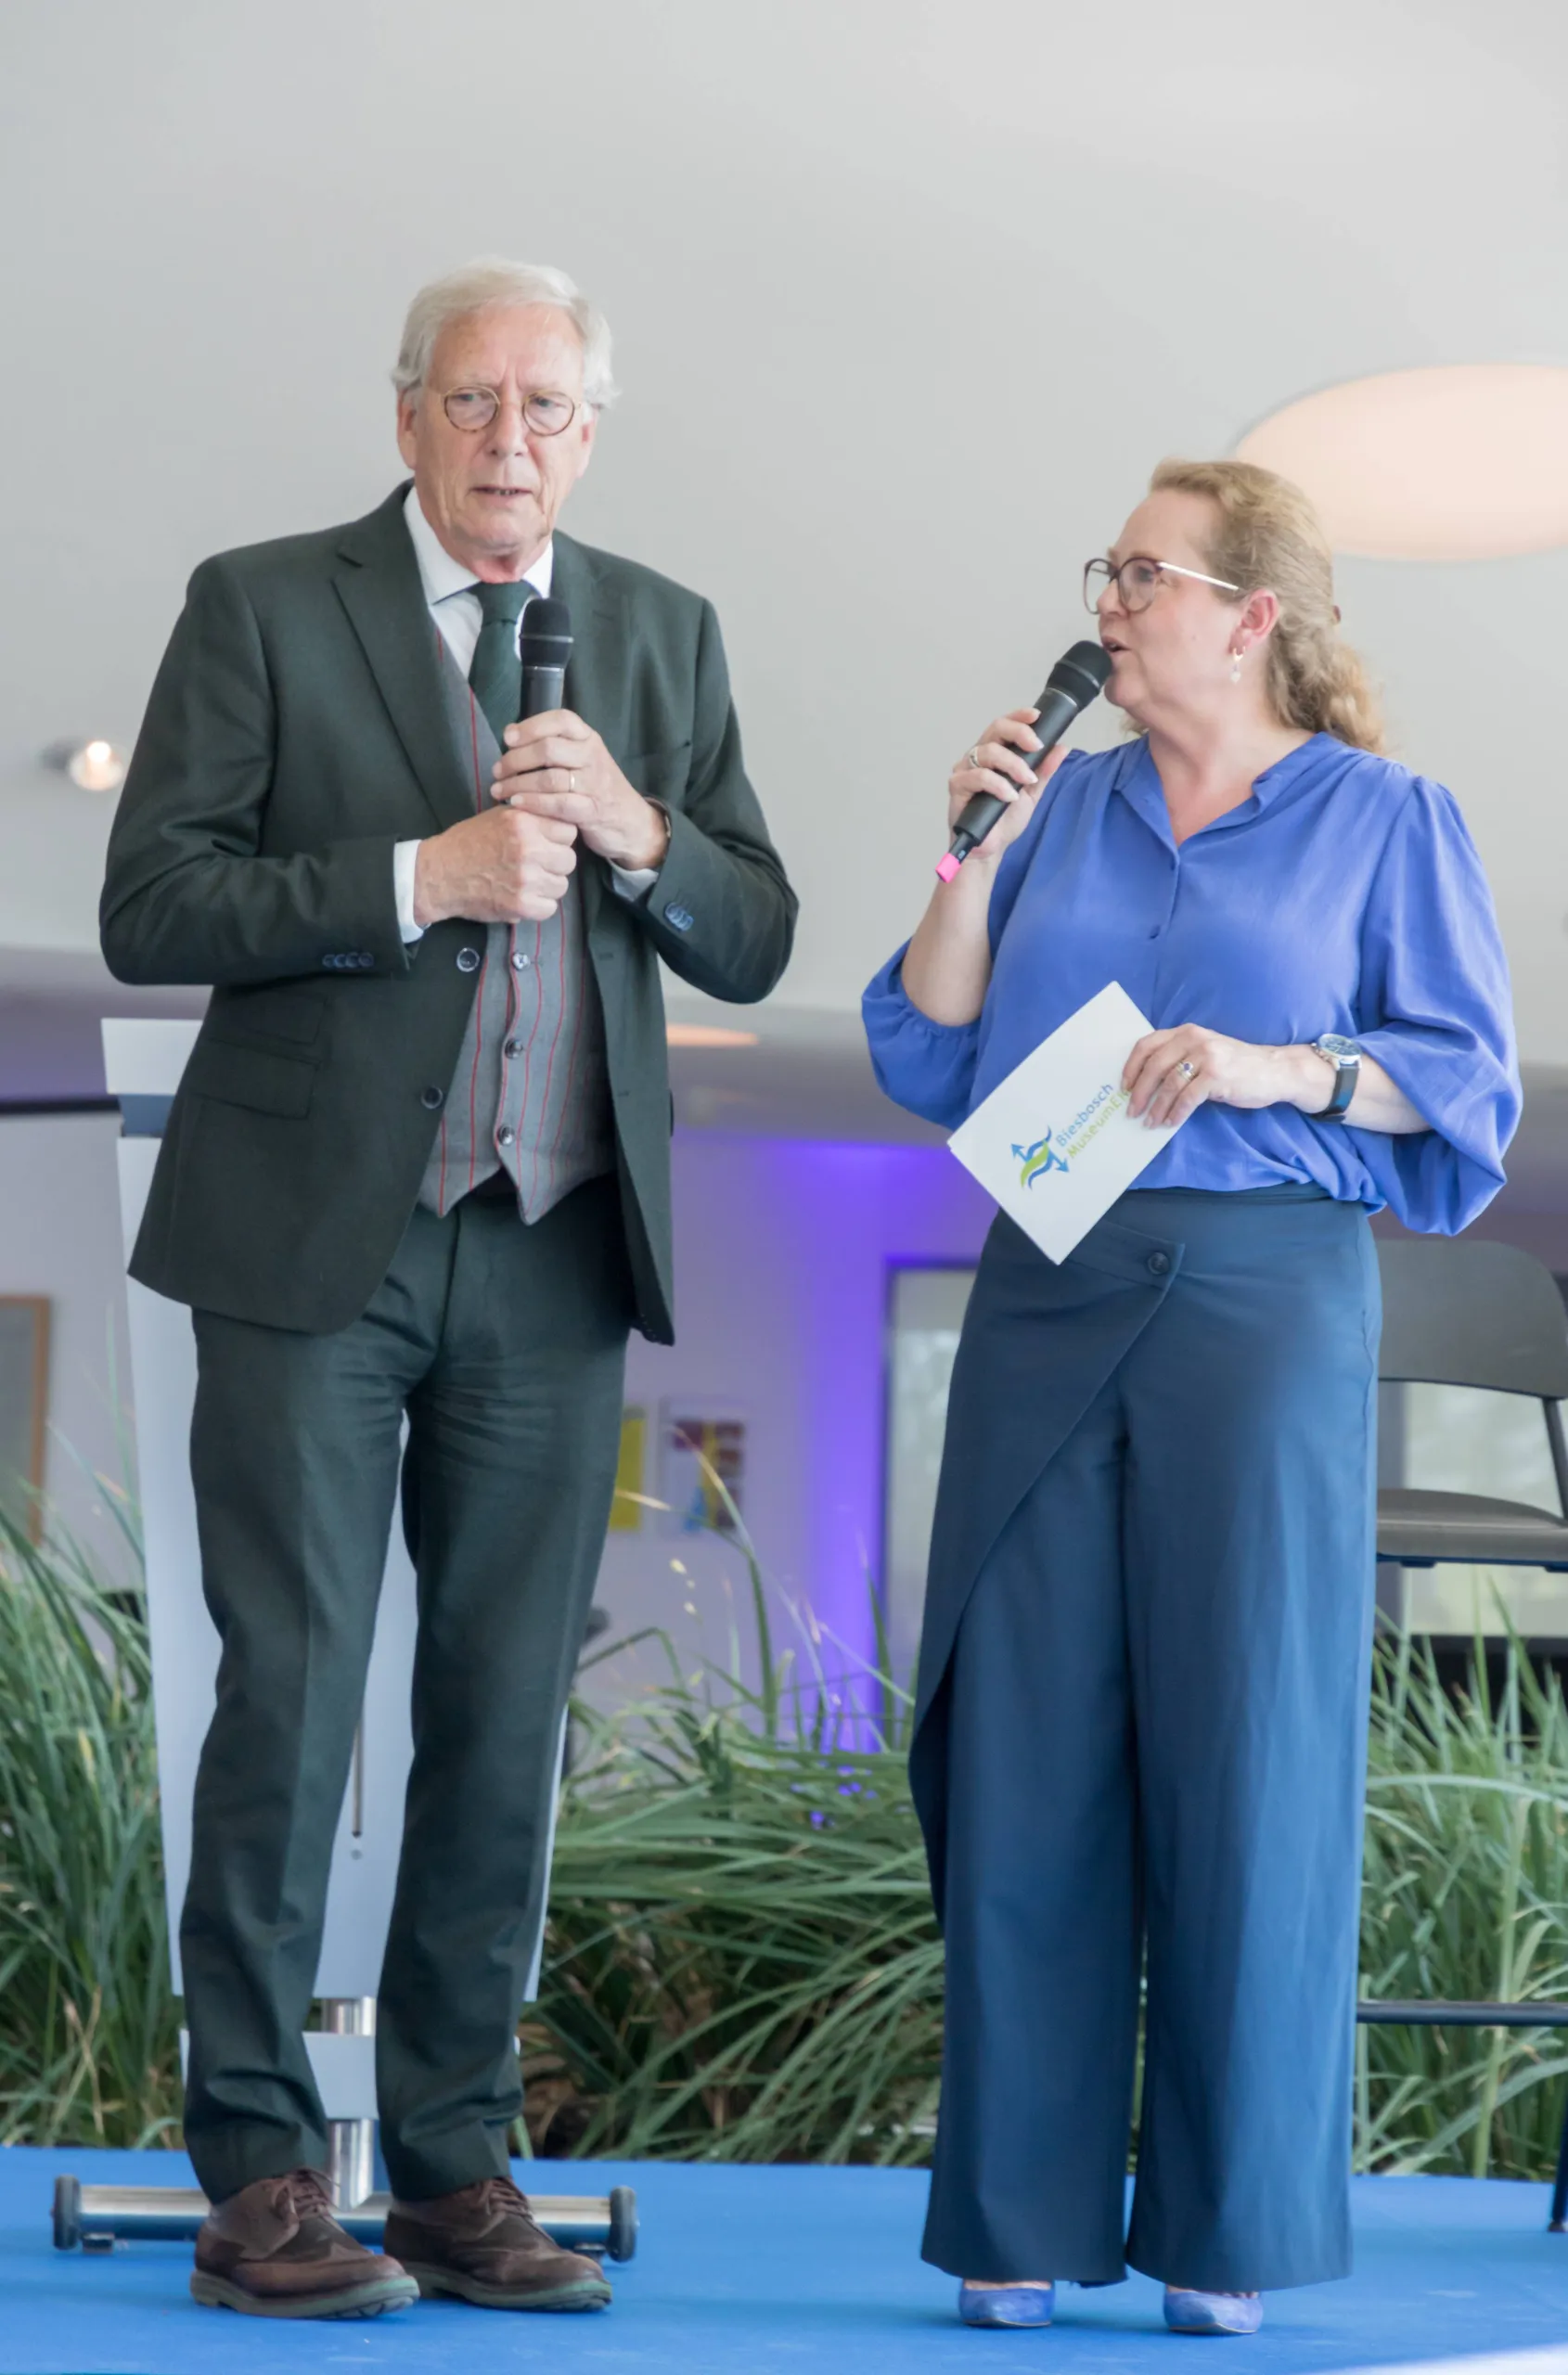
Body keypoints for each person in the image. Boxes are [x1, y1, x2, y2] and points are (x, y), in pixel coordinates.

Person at [101, 256, 796, 2320]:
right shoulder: (262, 602)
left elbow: (755, 929)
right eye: (474, 400)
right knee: (295, 1696)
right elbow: (154, 901)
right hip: (314, 1245)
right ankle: (257, 2171)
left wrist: (638, 832)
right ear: (405, 414)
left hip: (552, 1253)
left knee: (501, 1723)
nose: (511, 440)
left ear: (590, 433)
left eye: (547, 407)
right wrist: (426, 873)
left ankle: (453, 2164)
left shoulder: (662, 629)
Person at [863, 458, 1518, 2337]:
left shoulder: (1384, 816)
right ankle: (1016, 2209)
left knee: (1249, 1745)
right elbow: (926, 1046)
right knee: (1022, 1737)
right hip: (1045, 1286)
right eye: (1109, 568)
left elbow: (1460, 1081)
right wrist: (969, 850)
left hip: (1260, 1297)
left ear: (1250, 615)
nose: (1108, 598)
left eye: (1144, 572)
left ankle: (1227, 2219)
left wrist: (1276, 1065)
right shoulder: (1057, 804)